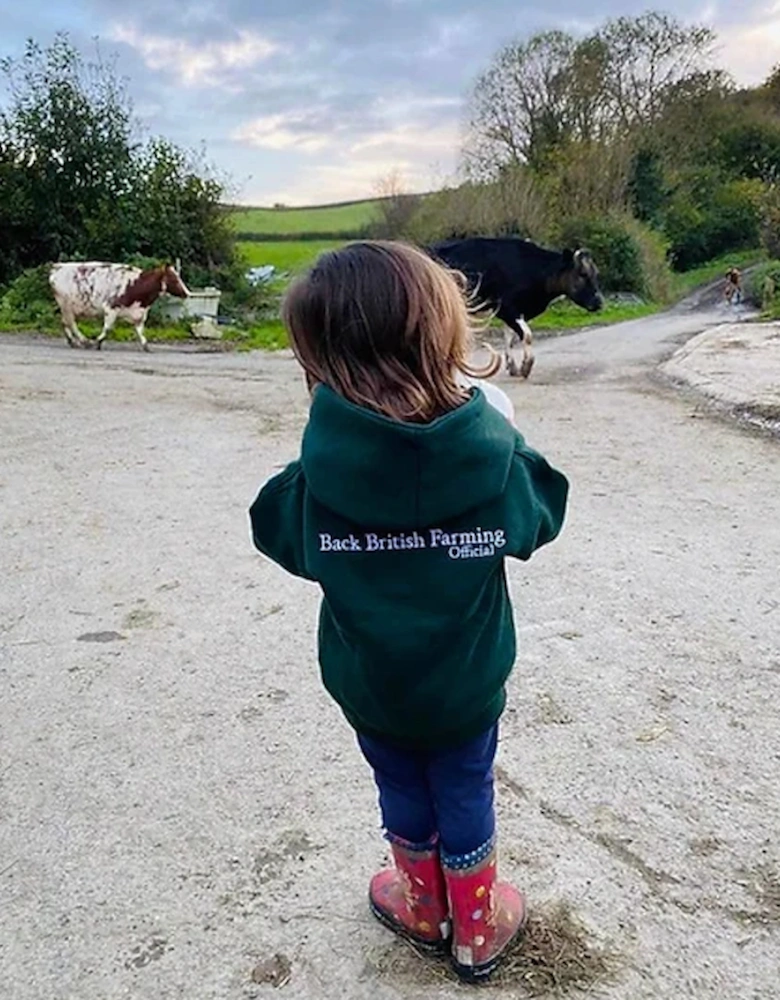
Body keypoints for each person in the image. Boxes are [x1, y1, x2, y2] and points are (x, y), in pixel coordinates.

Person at [248, 241, 568, 983]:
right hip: (466, 685)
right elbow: (545, 510)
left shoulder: (314, 480)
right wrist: (495, 429)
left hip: (373, 687)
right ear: (445, 336)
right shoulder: (495, 457)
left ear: (318, 359)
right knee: (465, 786)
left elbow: (274, 529)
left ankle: (421, 905)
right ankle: (476, 927)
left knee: (398, 783)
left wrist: (328, 449)